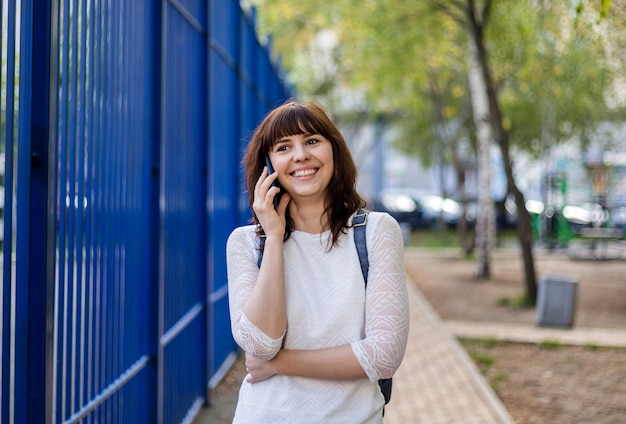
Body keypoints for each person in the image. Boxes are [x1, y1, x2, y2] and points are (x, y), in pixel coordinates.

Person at [226, 100, 409, 423]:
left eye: (312, 141)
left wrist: (279, 365)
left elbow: (383, 355)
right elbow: (261, 344)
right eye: (284, 147)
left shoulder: (377, 231)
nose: (300, 155)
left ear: (334, 152)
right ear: (268, 165)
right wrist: (273, 236)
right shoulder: (246, 242)